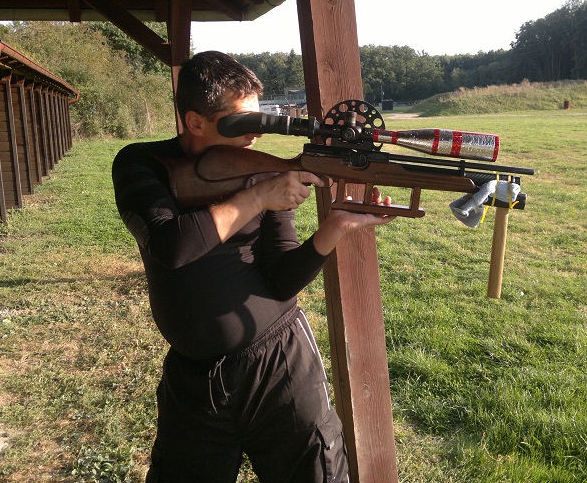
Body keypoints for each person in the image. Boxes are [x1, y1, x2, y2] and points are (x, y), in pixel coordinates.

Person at [112, 51, 394, 482]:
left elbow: (281, 280)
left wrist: (334, 228)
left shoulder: (263, 170)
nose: (257, 133)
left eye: (260, 120)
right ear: (195, 122)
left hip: (280, 364)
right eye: (242, 122)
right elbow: (171, 246)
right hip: (196, 379)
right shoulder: (142, 164)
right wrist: (259, 197)